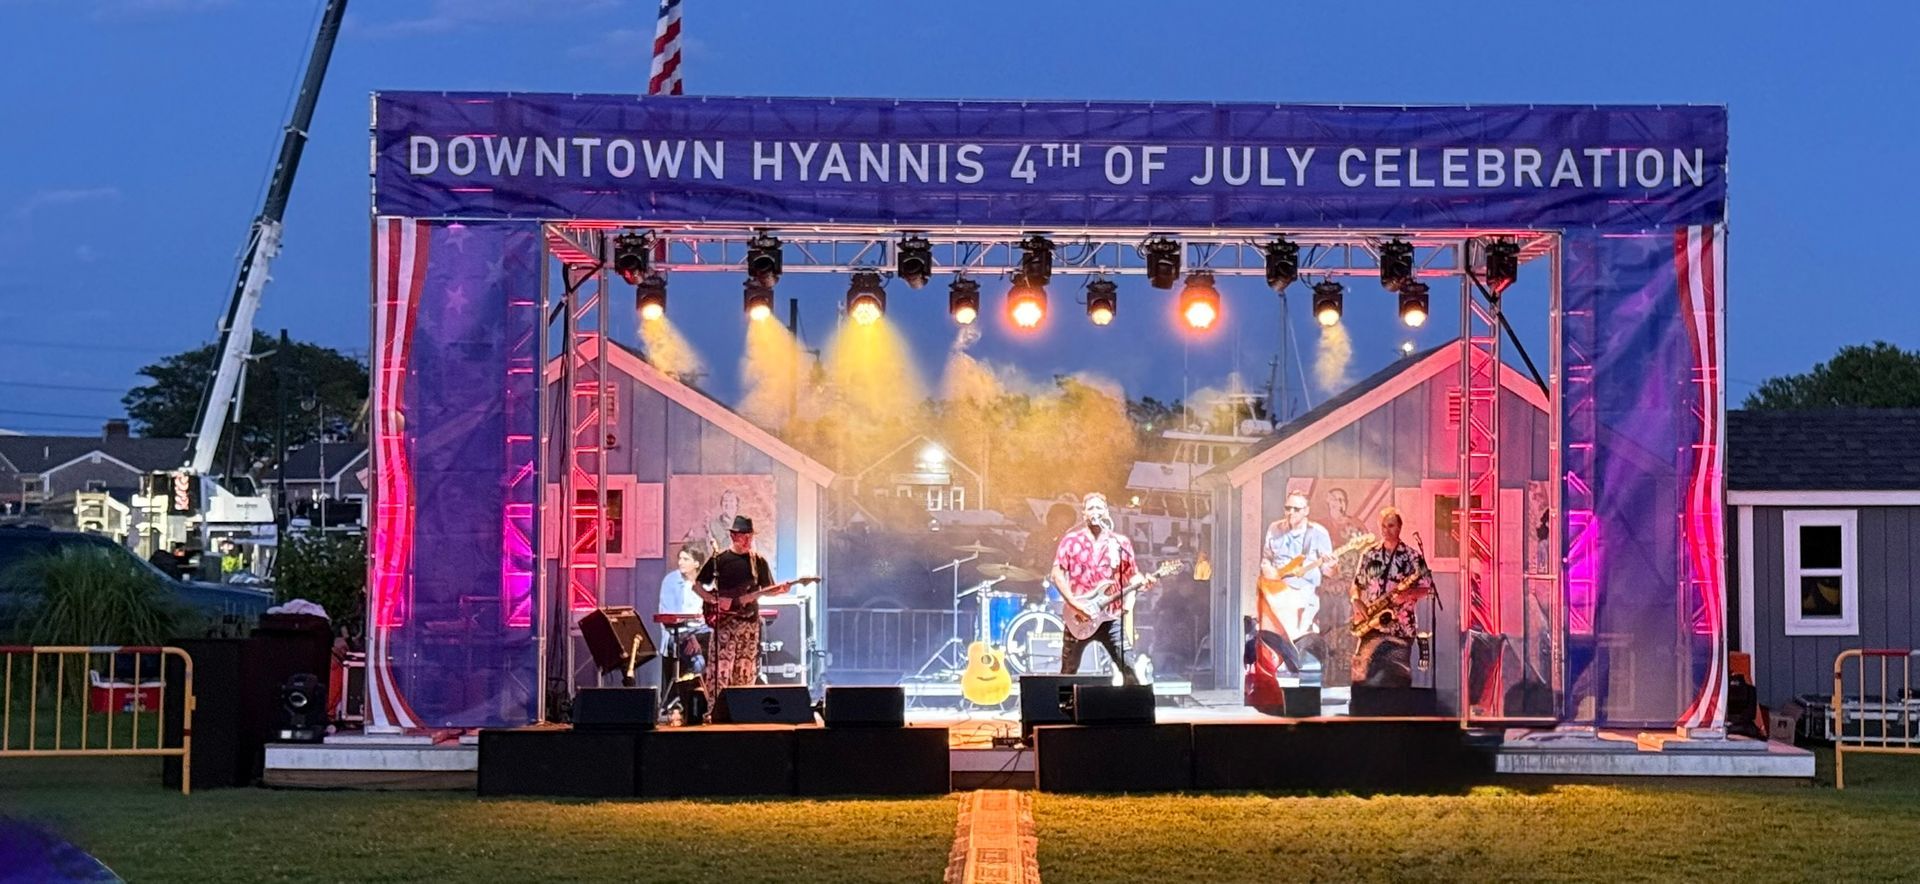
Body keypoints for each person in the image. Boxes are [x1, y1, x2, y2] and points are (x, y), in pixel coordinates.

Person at [1050, 492, 1153, 685]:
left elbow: (1133, 574)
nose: (1095, 512)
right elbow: (1056, 574)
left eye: (1099, 508)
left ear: (1106, 512)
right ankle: (1062, 712)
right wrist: (1074, 604)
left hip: (1110, 617)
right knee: (1068, 671)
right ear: (1084, 514)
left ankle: (1132, 711)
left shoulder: (1119, 542)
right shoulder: (1071, 541)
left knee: (1128, 668)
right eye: (1090, 508)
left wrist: (1143, 582)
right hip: (1080, 615)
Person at [690, 516, 779, 711]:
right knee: (721, 670)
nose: (747, 541)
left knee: (745, 671)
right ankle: (716, 711)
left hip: (749, 623)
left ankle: (743, 711)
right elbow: (697, 586)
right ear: (733, 536)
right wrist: (713, 600)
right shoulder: (719, 560)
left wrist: (779, 589)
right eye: (743, 536)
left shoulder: (758, 562)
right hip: (725, 624)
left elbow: (768, 589)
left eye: (750, 536)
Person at [1349, 507, 1434, 688]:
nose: (1386, 530)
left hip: (1400, 629)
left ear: (1400, 527)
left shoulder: (1413, 557)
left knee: (1396, 680)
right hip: (1371, 624)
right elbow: (1356, 585)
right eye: (1383, 526)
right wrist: (1356, 601)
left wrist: (1408, 594)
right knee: (1361, 677)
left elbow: (1427, 588)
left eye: (1391, 526)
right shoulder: (1369, 554)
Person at [1260, 492, 1334, 669]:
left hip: (1304, 600)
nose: (1291, 512)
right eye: (1288, 508)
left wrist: (1332, 564)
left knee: (1302, 652)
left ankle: (1304, 690)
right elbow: (1266, 559)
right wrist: (1269, 572)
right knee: (1275, 650)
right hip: (1276, 598)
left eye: (1296, 509)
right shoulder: (1274, 529)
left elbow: (1329, 572)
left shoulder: (1318, 533)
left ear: (1306, 511)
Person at [657, 543, 709, 674]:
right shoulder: (671, 581)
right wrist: (690, 637)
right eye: (680, 559)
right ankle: (694, 692)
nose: (680, 562)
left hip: (701, 632)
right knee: (699, 663)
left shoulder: (706, 582)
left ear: (697, 564)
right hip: (677, 633)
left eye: (686, 559)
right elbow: (670, 618)